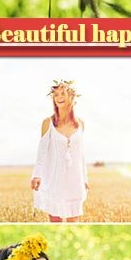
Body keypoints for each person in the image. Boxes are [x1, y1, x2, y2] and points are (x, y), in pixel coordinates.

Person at [32, 81, 88, 222]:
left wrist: (85, 179)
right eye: (56, 94)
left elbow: (80, 154)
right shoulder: (48, 123)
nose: (59, 97)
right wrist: (37, 175)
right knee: (55, 221)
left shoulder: (80, 124)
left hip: (74, 180)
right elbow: (42, 152)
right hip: (55, 178)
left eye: (63, 93)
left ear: (72, 97)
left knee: (73, 222)